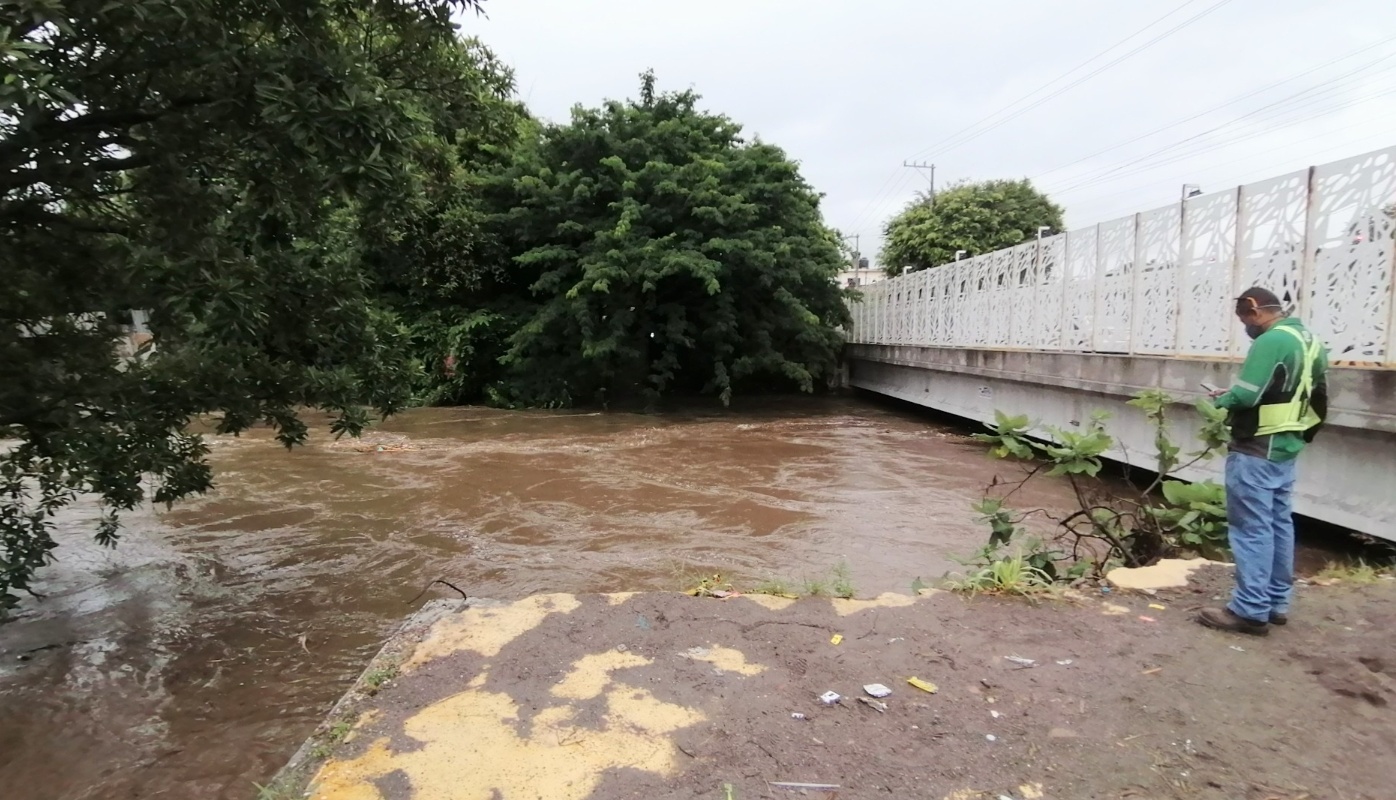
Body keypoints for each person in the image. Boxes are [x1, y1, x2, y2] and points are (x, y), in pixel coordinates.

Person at [1196, 287, 1328, 636]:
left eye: (1244, 319)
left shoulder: (1269, 342)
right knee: (1279, 523)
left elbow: (1247, 395)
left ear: (1254, 309)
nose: (1245, 327)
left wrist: (1224, 400)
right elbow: (1316, 396)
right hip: (1287, 446)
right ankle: (1275, 603)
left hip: (1256, 447)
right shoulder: (1311, 341)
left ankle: (1250, 610)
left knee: (1250, 528)